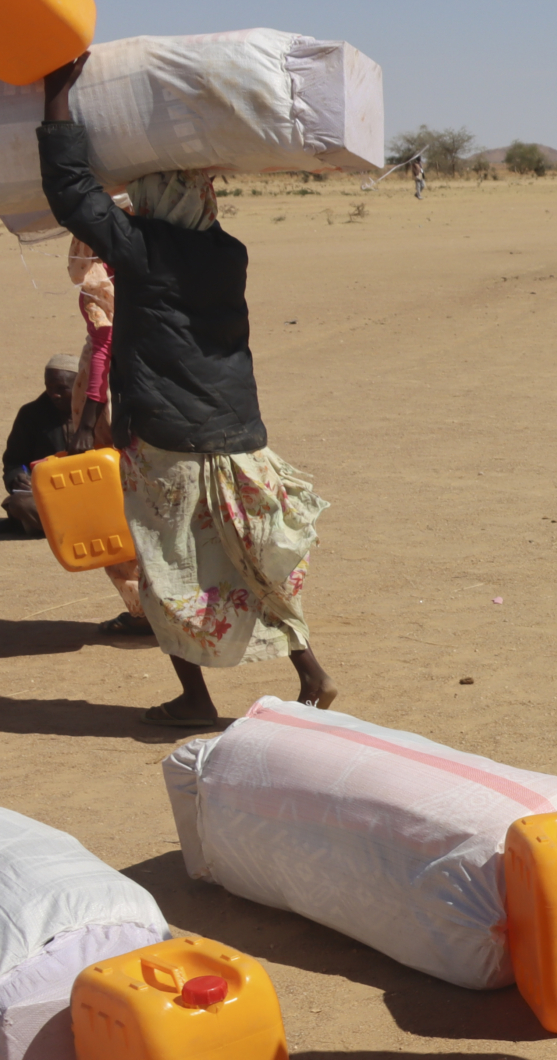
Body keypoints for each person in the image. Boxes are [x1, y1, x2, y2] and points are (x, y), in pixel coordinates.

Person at [39, 53, 336, 725]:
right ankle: (311, 674)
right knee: (250, 555)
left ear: (153, 203)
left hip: (169, 437)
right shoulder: (228, 251)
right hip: (236, 429)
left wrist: (57, 93)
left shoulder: (144, 251)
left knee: (165, 568)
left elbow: (69, 191)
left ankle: (194, 700)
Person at [65, 229, 149, 634]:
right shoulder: (150, 248)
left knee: (115, 507)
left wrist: (85, 424)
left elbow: (103, 344)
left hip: (112, 397)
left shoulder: (100, 268)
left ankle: (144, 612)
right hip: (152, 381)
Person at [0, 355, 76, 538]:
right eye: (49, 388)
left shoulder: (101, 413)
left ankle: (58, 525)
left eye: (61, 388)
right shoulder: (31, 414)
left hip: (95, 492)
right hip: (51, 496)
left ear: (80, 384)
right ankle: (74, 525)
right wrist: (17, 476)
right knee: (20, 503)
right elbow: (14, 461)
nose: (54, 394)